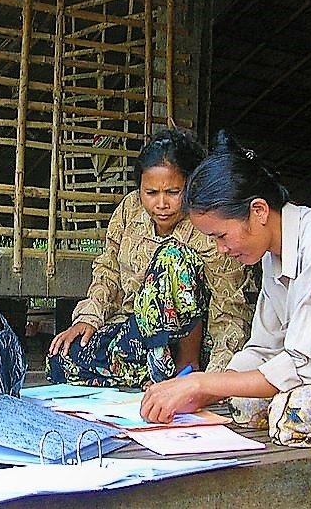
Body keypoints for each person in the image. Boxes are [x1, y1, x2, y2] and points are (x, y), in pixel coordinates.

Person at [141, 130, 311, 447]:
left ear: (258, 211)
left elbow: (306, 366)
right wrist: (202, 389)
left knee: (297, 411)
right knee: (241, 402)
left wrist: (202, 382)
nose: (221, 249)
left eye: (221, 236)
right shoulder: (273, 257)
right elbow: (263, 350)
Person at [47, 128, 253, 388]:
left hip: (195, 348)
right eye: (151, 193)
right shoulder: (129, 210)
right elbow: (108, 269)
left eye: (173, 192)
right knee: (62, 360)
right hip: (139, 332)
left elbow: (230, 310)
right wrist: (89, 317)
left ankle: (183, 371)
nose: (162, 204)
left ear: (190, 186)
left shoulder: (210, 228)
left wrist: (213, 381)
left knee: (172, 258)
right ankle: (156, 372)